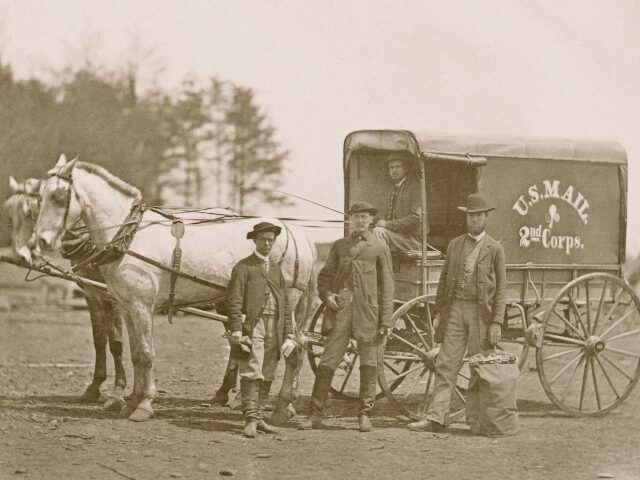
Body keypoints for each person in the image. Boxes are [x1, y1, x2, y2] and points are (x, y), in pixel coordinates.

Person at [407, 193, 506, 433]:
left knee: (478, 367)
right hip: (455, 309)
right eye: (471, 215)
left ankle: (474, 421)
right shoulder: (455, 244)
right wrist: (440, 312)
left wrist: (496, 323)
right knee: (446, 364)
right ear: (466, 217)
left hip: (480, 314)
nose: (475, 220)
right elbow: (444, 281)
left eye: (479, 215)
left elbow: (502, 289)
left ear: (486, 218)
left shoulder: (495, 248)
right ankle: (436, 418)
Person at [301, 201, 394, 432]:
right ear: (351, 219)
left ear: (371, 220)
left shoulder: (379, 247)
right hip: (341, 310)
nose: (360, 220)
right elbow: (323, 278)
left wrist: (385, 320)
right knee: (328, 360)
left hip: (368, 311)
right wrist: (328, 295)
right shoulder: (340, 246)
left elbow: (387, 286)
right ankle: (315, 414)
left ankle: (364, 414)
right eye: (356, 216)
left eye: (364, 216)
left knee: (369, 362)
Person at [226, 222, 297, 438]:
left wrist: (288, 333)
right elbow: (234, 300)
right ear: (255, 241)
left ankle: (260, 417)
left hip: (274, 325)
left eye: (270, 240)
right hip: (253, 325)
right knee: (251, 368)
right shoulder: (243, 267)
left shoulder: (276, 269)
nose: (267, 244)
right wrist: (237, 329)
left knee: (268, 370)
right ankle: (249, 420)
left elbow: (285, 304)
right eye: (263, 240)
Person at [372, 152, 423, 252]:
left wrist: (387, 224)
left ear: (406, 168)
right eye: (391, 167)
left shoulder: (414, 187)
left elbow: (416, 218)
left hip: (413, 240)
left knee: (378, 232)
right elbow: (389, 217)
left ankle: (384, 267)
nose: (394, 170)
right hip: (397, 237)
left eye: (397, 167)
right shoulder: (393, 189)